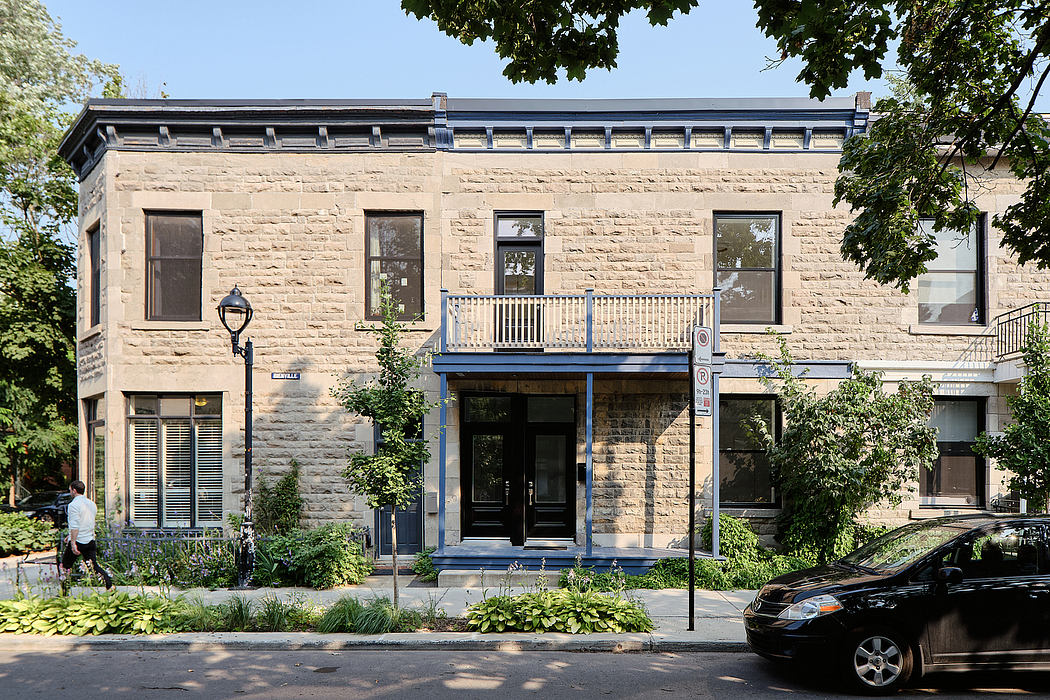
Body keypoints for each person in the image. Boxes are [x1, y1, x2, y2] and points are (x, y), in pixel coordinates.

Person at [61, 480, 112, 591]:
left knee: (65, 567)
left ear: (74, 490)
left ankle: (64, 592)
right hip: (90, 539)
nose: (70, 492)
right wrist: (70, 536)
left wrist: (73, 543)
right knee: (94, 566)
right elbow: (87, 522)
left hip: (78, 541)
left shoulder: (73, 505)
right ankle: (109, 585)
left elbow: (75, 526)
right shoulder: (91, 504)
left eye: (70, 490)